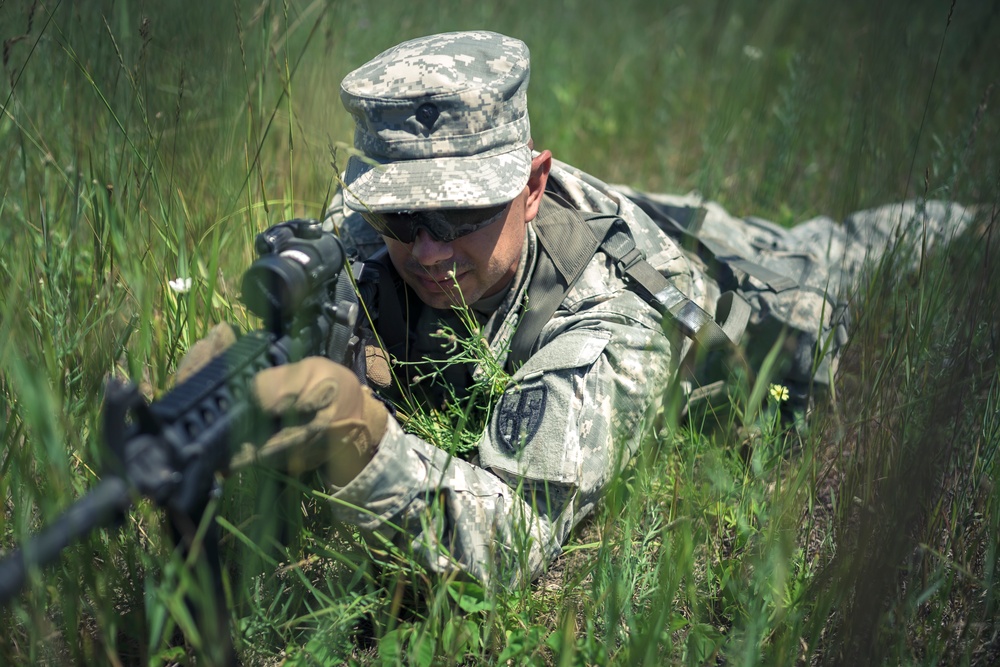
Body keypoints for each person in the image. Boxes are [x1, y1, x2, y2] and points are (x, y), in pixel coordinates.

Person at [180, 30, 975, 587]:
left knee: (852, 247)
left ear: (530, 186)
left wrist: (363, 435)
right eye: (402, 219)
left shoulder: (616, 323)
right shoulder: (371, 227)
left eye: (461, 219)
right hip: (589, 212)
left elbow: (507, 534)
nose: (426, 250)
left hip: (735, 273)